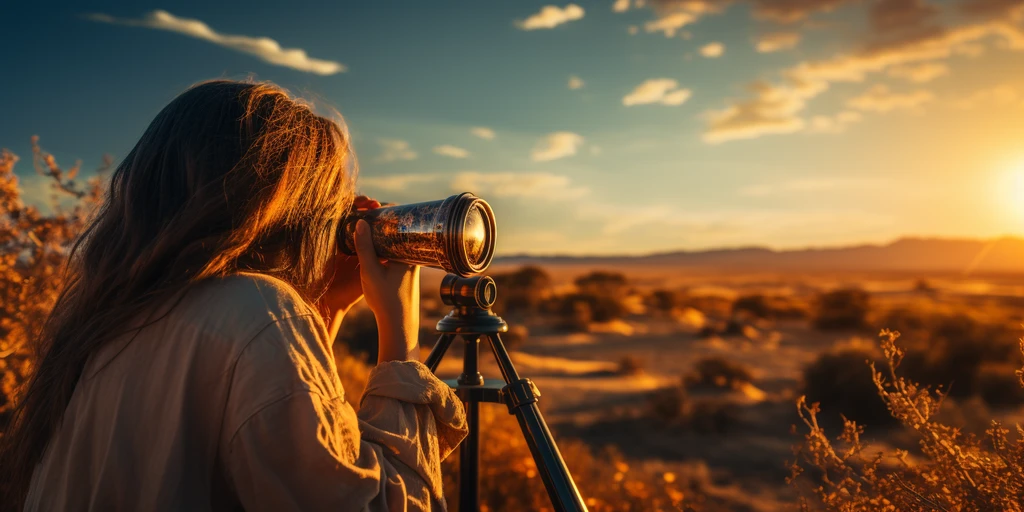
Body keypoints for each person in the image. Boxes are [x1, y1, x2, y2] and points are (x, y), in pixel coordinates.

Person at [0, 80, 467, 511]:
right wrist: (401, 340)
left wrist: (326, 306)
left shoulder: (105, 321)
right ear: (289, 212)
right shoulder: (257, 311)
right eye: (327, 205)